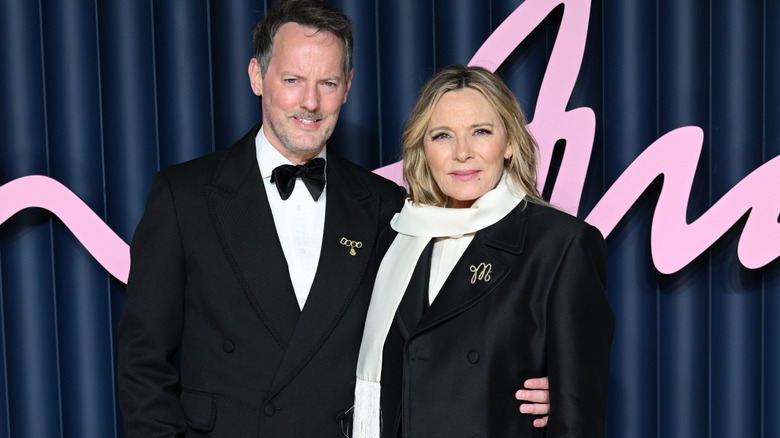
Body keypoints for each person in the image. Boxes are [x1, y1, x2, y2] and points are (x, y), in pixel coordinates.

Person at [118, 1, 550, 436]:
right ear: (256, 76)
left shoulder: (389, 207)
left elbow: (440, 338)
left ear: (347, 86)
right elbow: (143, 362)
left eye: (327, 82)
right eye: (293, 80)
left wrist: (523, 381)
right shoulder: (184, 196)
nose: (310, 101)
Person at [352, 65, 614, 437]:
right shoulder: (397, 238)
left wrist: (566, 392)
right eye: (442, 135)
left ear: (508, 142)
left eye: (480, 132)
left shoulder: (561, 245)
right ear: (423, 148)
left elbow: (578, 420)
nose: (462, 153)